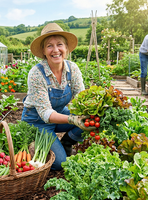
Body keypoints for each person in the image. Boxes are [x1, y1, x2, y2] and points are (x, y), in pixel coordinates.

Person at [21, 23, 95, 170]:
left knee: (89, 120)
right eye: (49, 46)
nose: (55, 50)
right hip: (38, 121)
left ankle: (67, 142)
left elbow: (82, 98)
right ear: (43, 50)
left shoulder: (72, 69)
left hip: (59, 115)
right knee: (60, 163)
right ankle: (40, 144)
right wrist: (72, 119)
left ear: (66, 48)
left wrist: (92, 108)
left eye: (59, 44)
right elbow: (45, 114)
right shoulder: (36, 74)